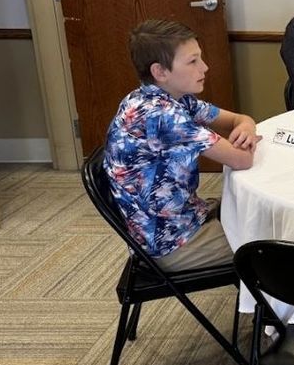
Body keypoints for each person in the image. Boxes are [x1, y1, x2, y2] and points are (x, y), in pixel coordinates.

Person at [104, 19, 260, 271]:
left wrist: (246, 126)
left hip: (184, 216)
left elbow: (237, 119)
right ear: (160, 72)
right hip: (171, 243)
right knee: (274, 241)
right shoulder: (161, 115)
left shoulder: (164, 98)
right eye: (193, 61)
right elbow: (242, 160)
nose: (205, 67)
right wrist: (245, 136)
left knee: (258, 212)